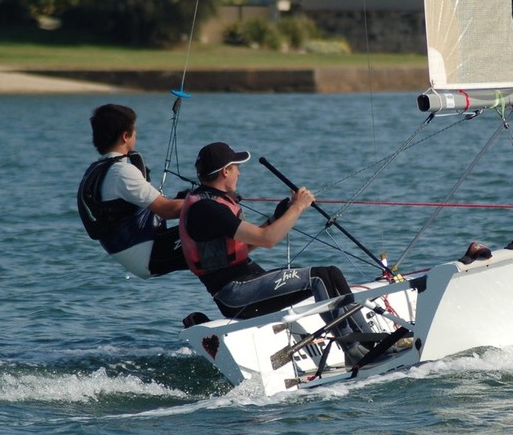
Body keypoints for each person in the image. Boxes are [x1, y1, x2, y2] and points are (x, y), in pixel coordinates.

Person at [179, 141, 373, 363]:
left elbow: (249, 243)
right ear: (225, 171)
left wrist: (278, 215)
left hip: (245, 283)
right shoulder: (207, 209)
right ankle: (352, 348)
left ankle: (368, 341)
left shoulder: (212, 202)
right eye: (236, 168)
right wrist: (298, 207)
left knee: (332, 273)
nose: (239, 174)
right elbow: (268, 239)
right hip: (234, 294)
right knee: (318, 277)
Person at [77, 104, 187, 278]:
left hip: (139, 248)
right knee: (219, 229)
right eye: (134, 131)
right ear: (125, 136)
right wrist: (210, 200)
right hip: (149, 253)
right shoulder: (121, 172)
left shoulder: (100, 168)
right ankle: (238, 295)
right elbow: (166, 210)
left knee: (215, 228)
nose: (136, 135)